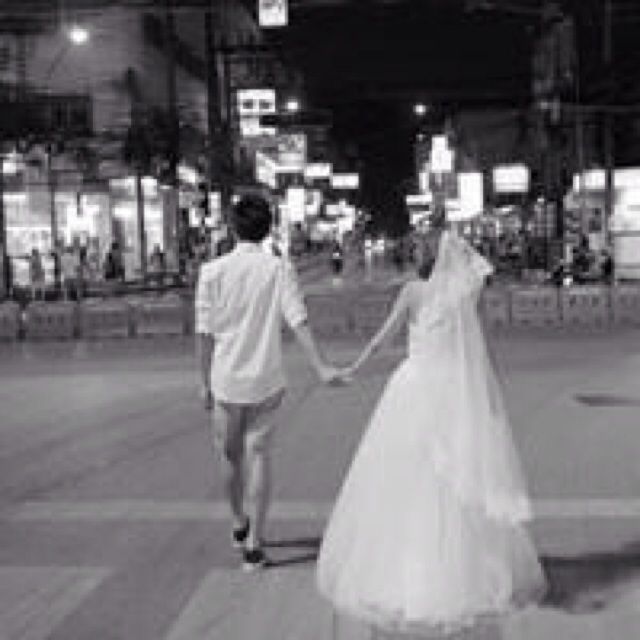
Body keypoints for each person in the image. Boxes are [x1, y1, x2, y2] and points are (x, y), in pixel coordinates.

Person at [316, 212, 546, 636]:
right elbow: (481, 347)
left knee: (405, 478)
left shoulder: (411, 292)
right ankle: (461, 571)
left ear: (420, 258)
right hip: (455, 389)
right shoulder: (466, 295)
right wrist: (492, 392)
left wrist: (352, 368)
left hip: (414, 387)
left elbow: (382, 339)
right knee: (458, 479)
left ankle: (409, 567)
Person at [195, 194, 342, 572]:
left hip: (226, 379)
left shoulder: (211, 272)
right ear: (268, 228)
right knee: (258, 453)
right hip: (266, 379)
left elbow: (204, 332)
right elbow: (298, 319)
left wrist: (203, 381)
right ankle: (255, 546)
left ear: (232, 227)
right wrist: (321, 366)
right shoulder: (279, 269)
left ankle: (238, 522)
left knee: (229, 455)